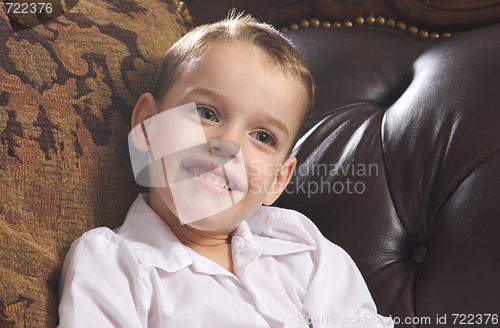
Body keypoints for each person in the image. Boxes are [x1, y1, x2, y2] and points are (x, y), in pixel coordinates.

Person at [57, 12, 394, 328]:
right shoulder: (112, 262)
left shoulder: (302, 246)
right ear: (147, 128)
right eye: (207, 113)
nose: (227, 145)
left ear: (277, 180)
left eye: (262, 136)